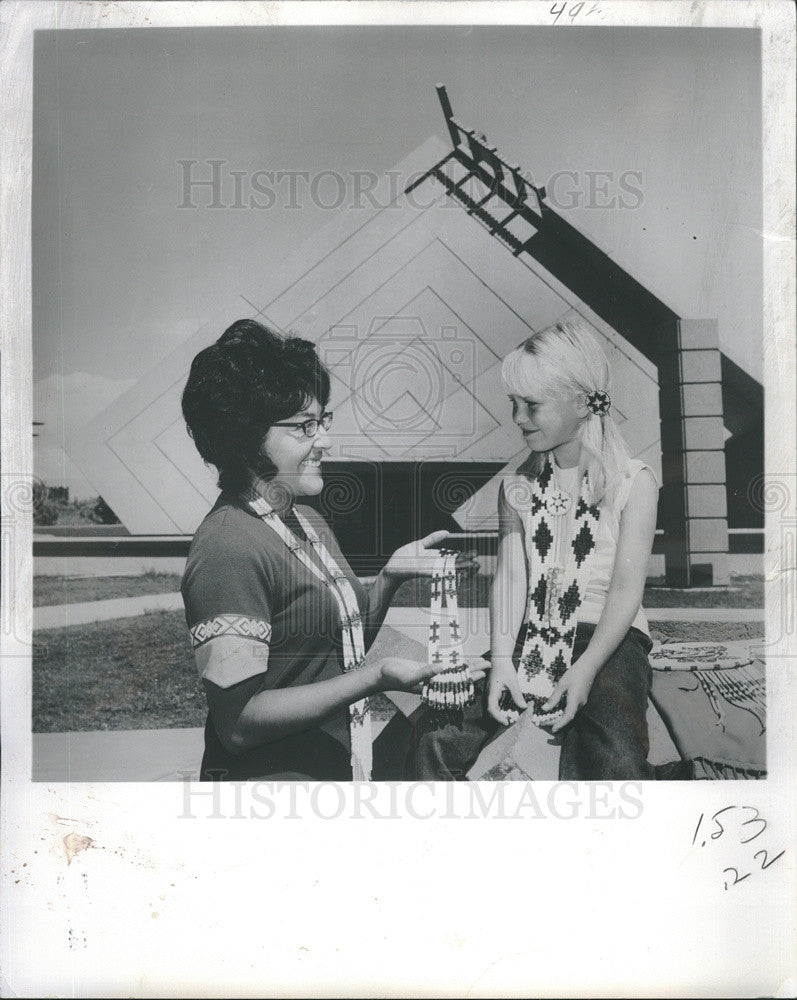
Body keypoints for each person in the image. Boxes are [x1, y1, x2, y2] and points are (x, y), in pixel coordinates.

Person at [180, 318, 478, 781]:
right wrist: (375, 678)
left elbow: (339, 646)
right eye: (304, 426)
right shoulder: (227, 546)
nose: (325, 440)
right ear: (245, 435)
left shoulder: (306, 520)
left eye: (322, 420)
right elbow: (237, 723)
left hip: (334, 774)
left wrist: (390, 577)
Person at [417, 318, 660, 780]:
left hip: (607, 637)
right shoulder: (517, 486)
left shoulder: (634, 481)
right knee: (435, 736)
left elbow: (626, 593)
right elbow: (510, 580)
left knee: (615, 761)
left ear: (583, 402)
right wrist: (502, 664)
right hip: (530, 635)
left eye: (532, 406)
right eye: (513, 404)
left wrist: (585, 671)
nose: (518, 419)